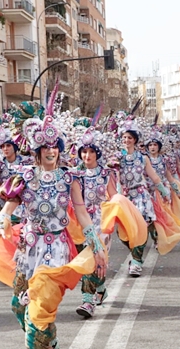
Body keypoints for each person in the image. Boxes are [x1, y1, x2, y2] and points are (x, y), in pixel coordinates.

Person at [0, 114, 107, 349]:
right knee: (19, 305)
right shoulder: (23, 177)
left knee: (39, 304)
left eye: (55, 146)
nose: (51, 150)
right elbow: (7, 210)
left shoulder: (69, 178)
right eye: (46, 146)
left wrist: (95, 245)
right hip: (28, 249)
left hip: (56, 250)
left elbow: (82, 213)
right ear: (37, 149)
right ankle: (48, 339)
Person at [115, 116, 170, 277]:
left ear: (135, 140)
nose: (126, 140)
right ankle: (134, 252)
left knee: (140, 228)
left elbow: (154, 177)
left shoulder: (142, 158)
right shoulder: (117, 158)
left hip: (140, 196)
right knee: (123, 232)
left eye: (129, 138)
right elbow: (114, 177)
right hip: (125, 197)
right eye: (124, 137)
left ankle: (137, 261)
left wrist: (164, 191)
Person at [73, 128, 117, 318]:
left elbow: (115, 198)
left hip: (101, 221)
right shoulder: (74, 174)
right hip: (80, 222)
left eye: (91, 151)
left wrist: (120, 218)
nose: (87, 155)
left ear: (97, 153)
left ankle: (87, 301)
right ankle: (100, 287)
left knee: (93, 258)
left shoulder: (106, 173)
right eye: (84, 151)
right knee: (85, 260)